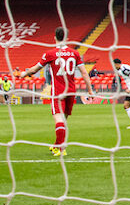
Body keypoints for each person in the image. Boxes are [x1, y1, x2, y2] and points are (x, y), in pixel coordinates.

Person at [17, 27, 94, 156]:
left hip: (58, 92)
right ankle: (57, 145)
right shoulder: (75, 53)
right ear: (67, 38)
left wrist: (23, 74)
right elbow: (84, 73)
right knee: (63, 120)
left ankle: (61, 149)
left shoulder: (50, 54)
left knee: (58, 119)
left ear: (55, 37)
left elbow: (34, 70)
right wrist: (90, 90)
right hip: (71, 91)